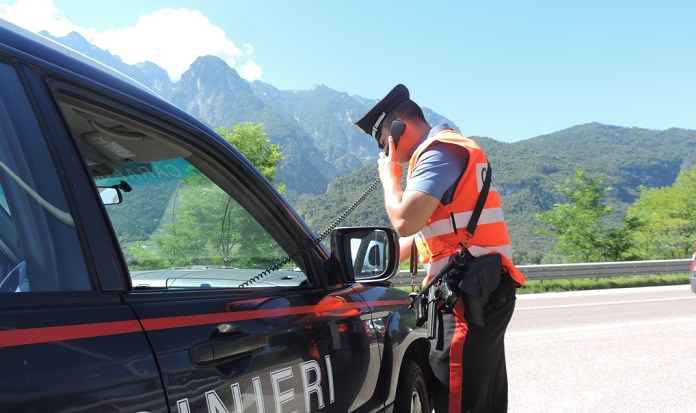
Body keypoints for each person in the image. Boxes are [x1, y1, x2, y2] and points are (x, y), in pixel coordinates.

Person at [355, 84, 526, 413]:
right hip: (477, 289)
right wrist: (366, 272)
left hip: (466, 297)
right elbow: (421, 237)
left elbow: (405, 221)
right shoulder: (445, 151)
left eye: (384, 145)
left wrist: (392, 181)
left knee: (457, 401)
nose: (389, 156)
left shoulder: (437, 152)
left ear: (396, 131)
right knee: (482, 399)